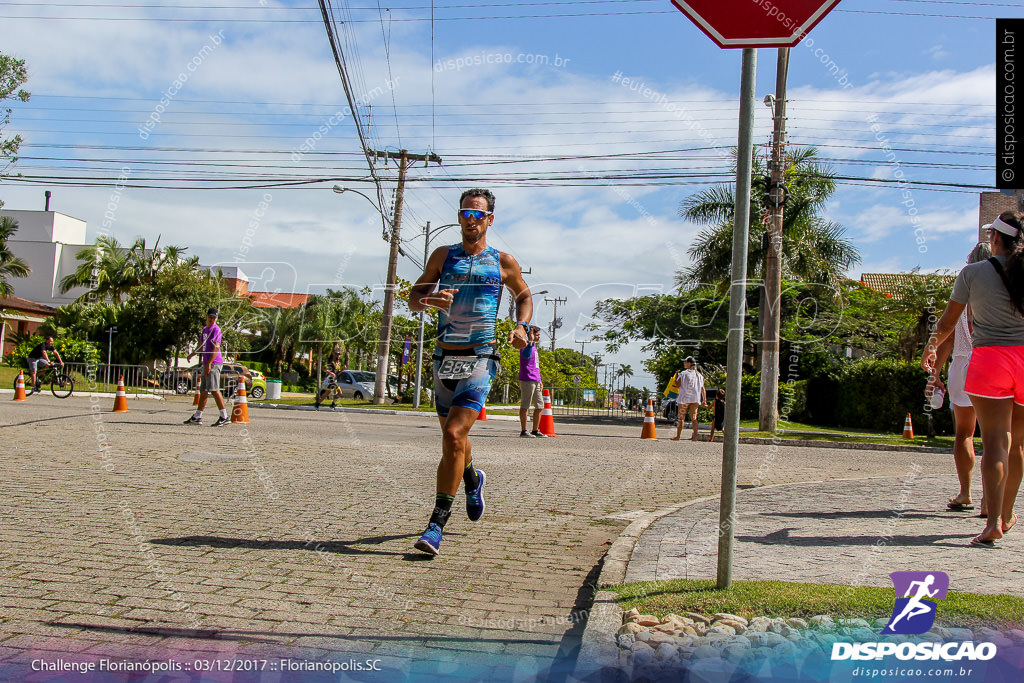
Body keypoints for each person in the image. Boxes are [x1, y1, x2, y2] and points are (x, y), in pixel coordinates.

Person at [407, 188, 533, 556]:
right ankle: (473, 478)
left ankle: (435, 525)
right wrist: (430, 299)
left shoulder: (503, 261)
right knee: (454, 439)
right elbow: (414, 298)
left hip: (481, 356)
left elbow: (523, 296)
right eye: (465, 212)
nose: (471, 219)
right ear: (459, 216)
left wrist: (521, 326)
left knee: (454, 433)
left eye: (479, 214)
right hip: (444, 356)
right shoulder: (443, 256)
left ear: (490, 219)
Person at [923, 211, 1024, 548]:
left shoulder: (973, 273)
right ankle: (1008, 515)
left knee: (994, 440)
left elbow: (949, 321)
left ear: (995, 238)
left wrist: (931, 348)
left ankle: (992, 522)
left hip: (989, 359)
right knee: (1017, 444)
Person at [925, 242, 991, 514]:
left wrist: (935, 372)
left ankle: (965, 493)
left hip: (962, 366)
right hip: (991, 364)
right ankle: (991, 500)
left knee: (964, 433)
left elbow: (947, 336)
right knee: (994, 437)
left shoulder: (963, 293)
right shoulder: (998, 294)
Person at [184, 307, 230, 427]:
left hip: (214, 363)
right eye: (210, 317)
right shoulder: (205, 330)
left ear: (216, 318)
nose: (212, 319)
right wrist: (193, 354)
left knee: (214, 389)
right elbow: (201, 346)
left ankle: (224, 416)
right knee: (203, 390)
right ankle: (197, 416)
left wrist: (209, 363)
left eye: (214, 317)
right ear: (207, 316)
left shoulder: (216, 330)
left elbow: (215, 347)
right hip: (206, 363)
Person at [515, 325, 547, 438]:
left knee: (539, 405)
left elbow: (535, 366)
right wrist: (531, 341)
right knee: (526, 405)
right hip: (527, 379)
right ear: (530, 334)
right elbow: (526, 356)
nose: (538, 337)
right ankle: (524, 430)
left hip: (536, 379)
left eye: (538, 335)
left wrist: (540, 380)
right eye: (536, 335)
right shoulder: (525, 345)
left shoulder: (534, 347)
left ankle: (535, 430)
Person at [670, 356, 707, 441]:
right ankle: (695, 437)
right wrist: (704, 399)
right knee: (694, 417)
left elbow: (677, 385)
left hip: (684, 399)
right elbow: (703, 388)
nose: (684, 363)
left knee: (681, 418)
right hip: (695, 398)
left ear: (689, 363)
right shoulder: (699, 375)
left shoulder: (683, 373)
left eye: (685, 362)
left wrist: (676, 377)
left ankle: (678, 436)